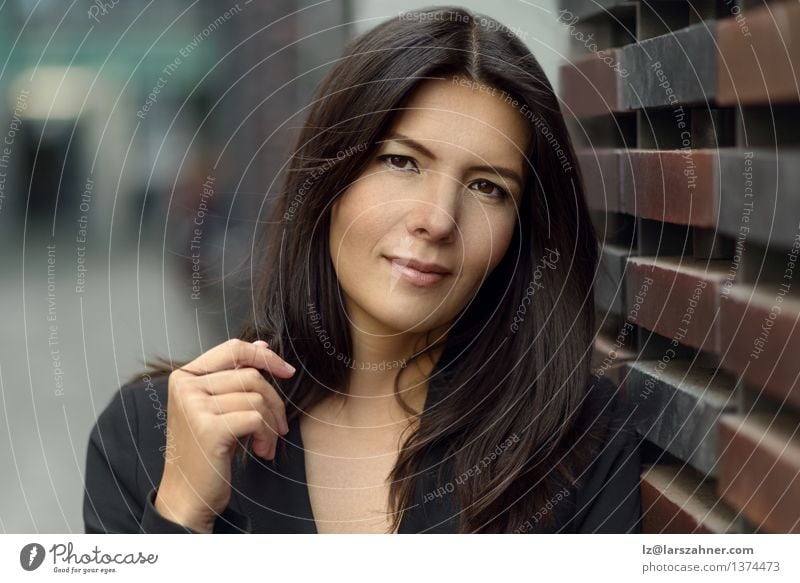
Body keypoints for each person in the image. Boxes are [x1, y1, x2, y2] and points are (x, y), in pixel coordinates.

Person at [83, 6, 641, 534]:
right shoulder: (149, 435)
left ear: (519, 231)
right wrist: (180, 515)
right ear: (332, 177)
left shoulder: (577, 441)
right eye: (401, 161)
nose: (437, 220)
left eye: (487, 187)